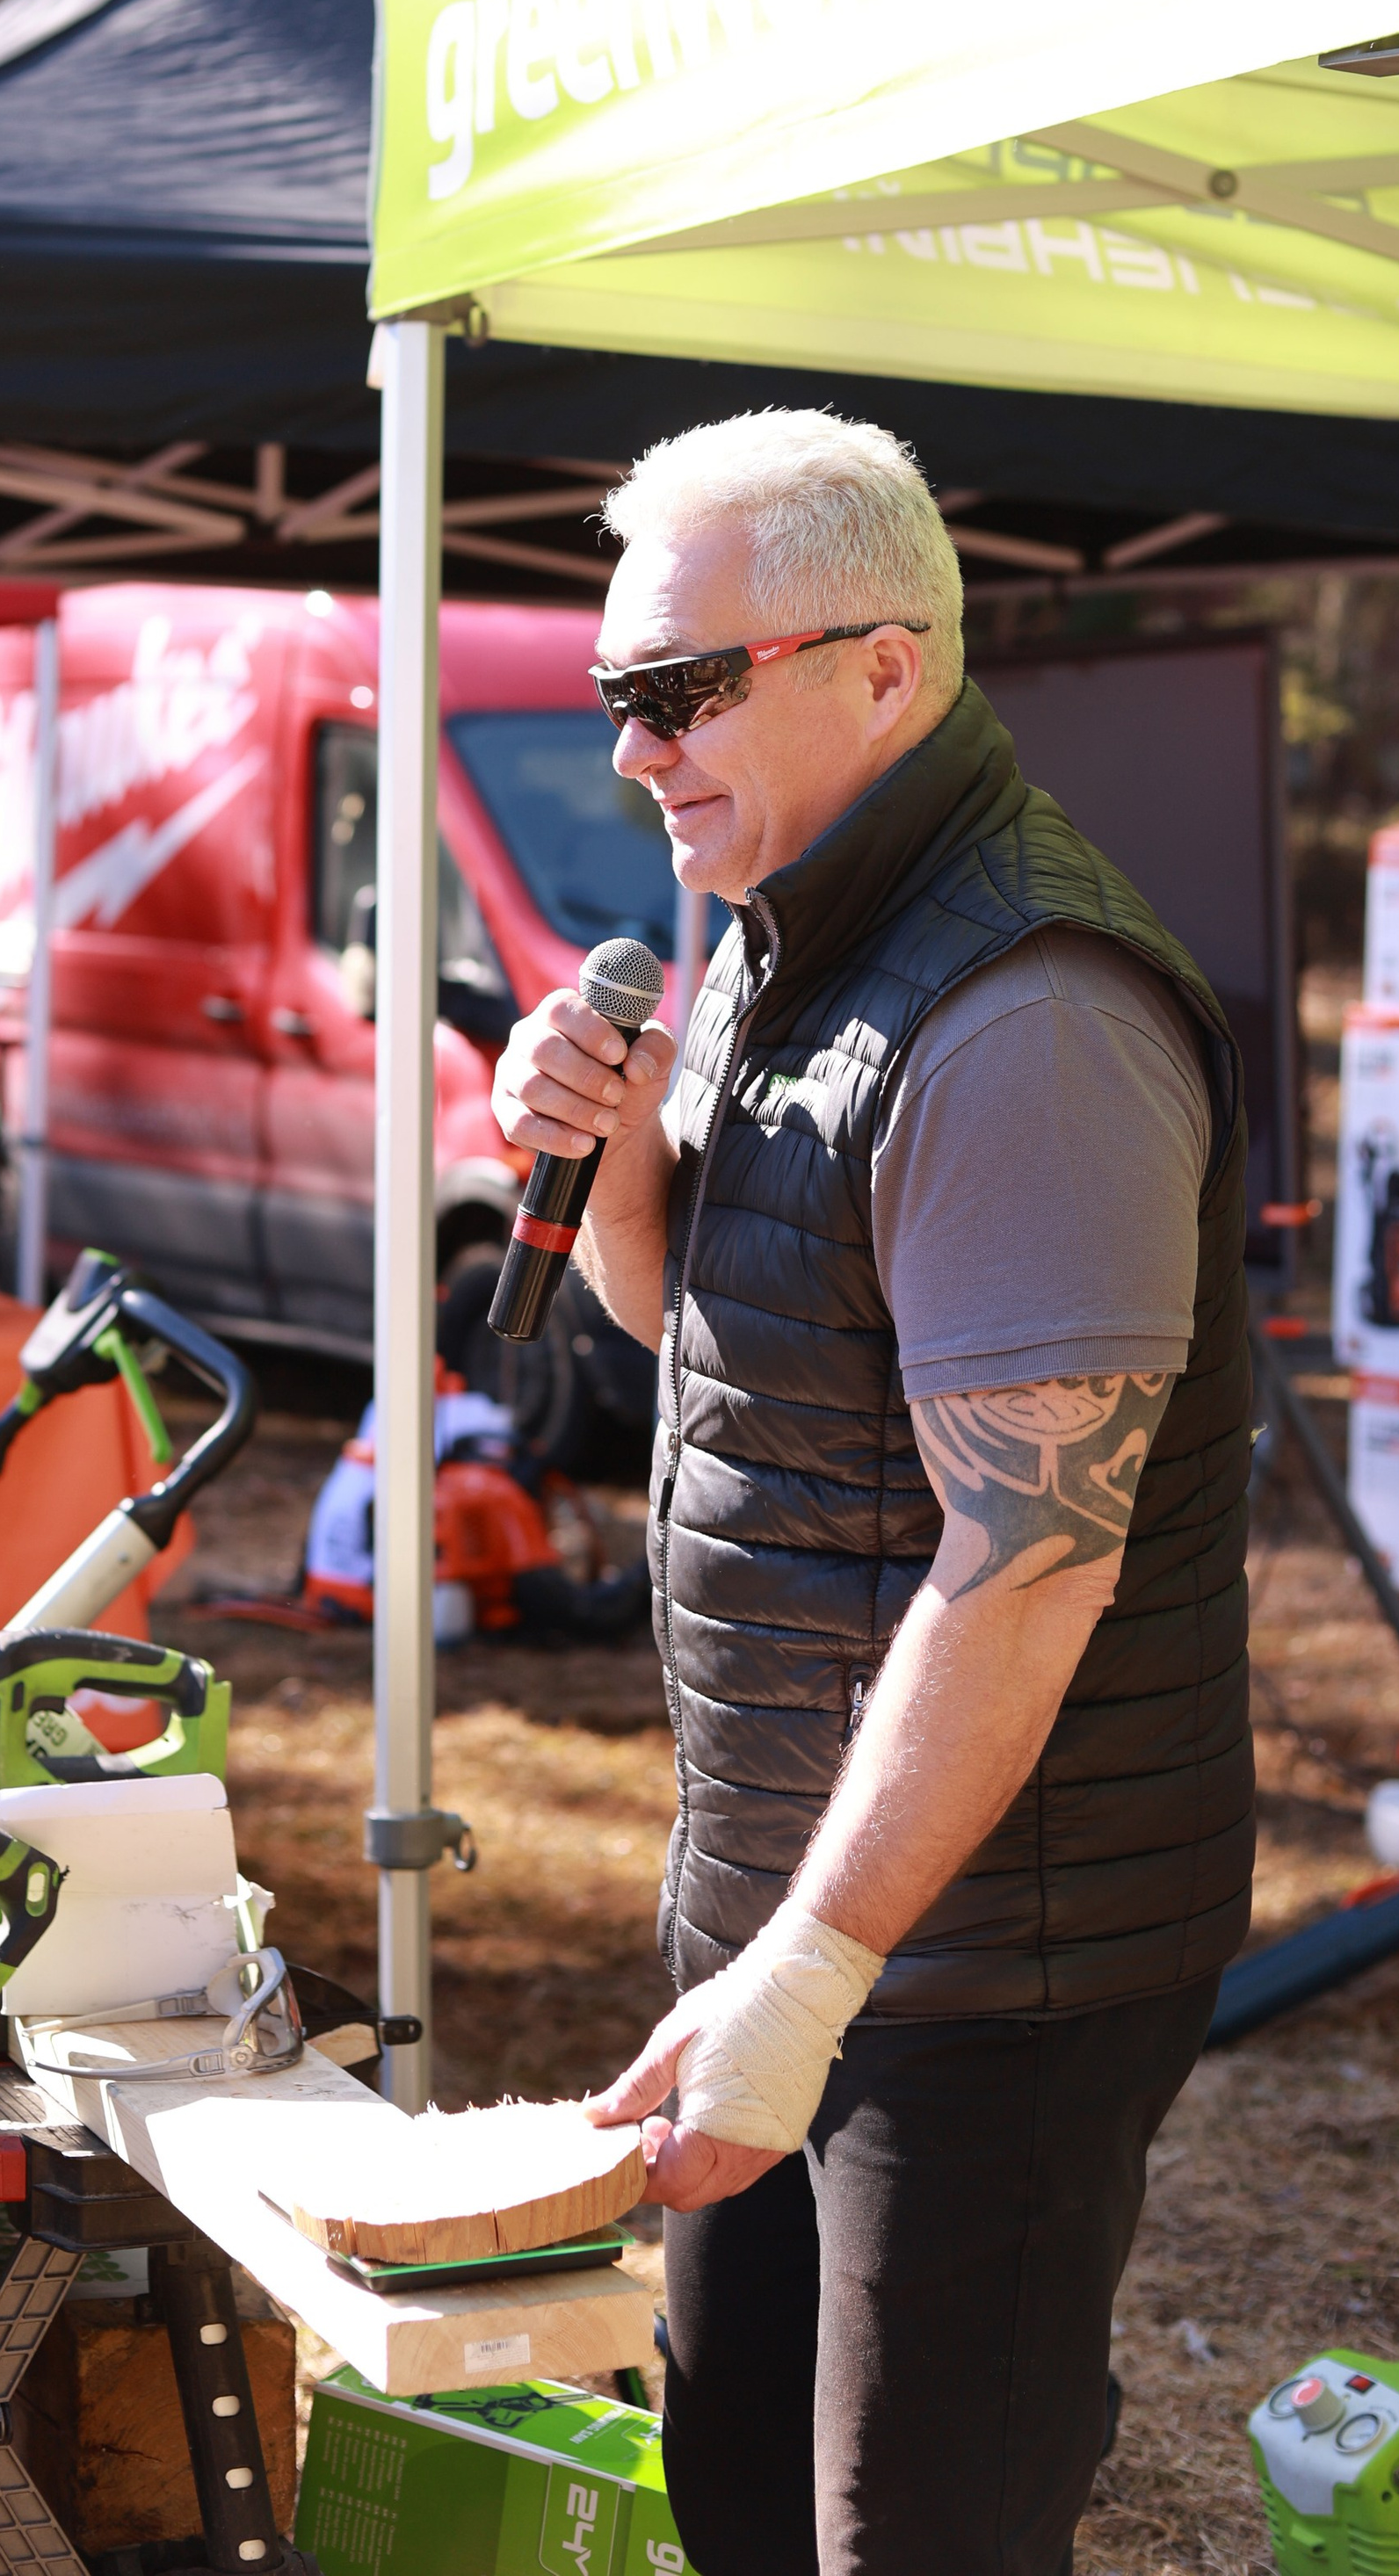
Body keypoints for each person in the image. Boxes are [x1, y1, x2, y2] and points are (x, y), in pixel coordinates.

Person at [490, 410, 1253, 2576]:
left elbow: (1026, 1569)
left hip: (985, 1963)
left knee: (906, 2537)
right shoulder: (785, 924)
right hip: (802, 1912)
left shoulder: (1025, 1017)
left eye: (677, 690)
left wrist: (810, 1973)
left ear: (882, 669)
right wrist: (613, 1159)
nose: (632, 751)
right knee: (733, 2499)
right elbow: (715, 1343)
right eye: (615, 692)